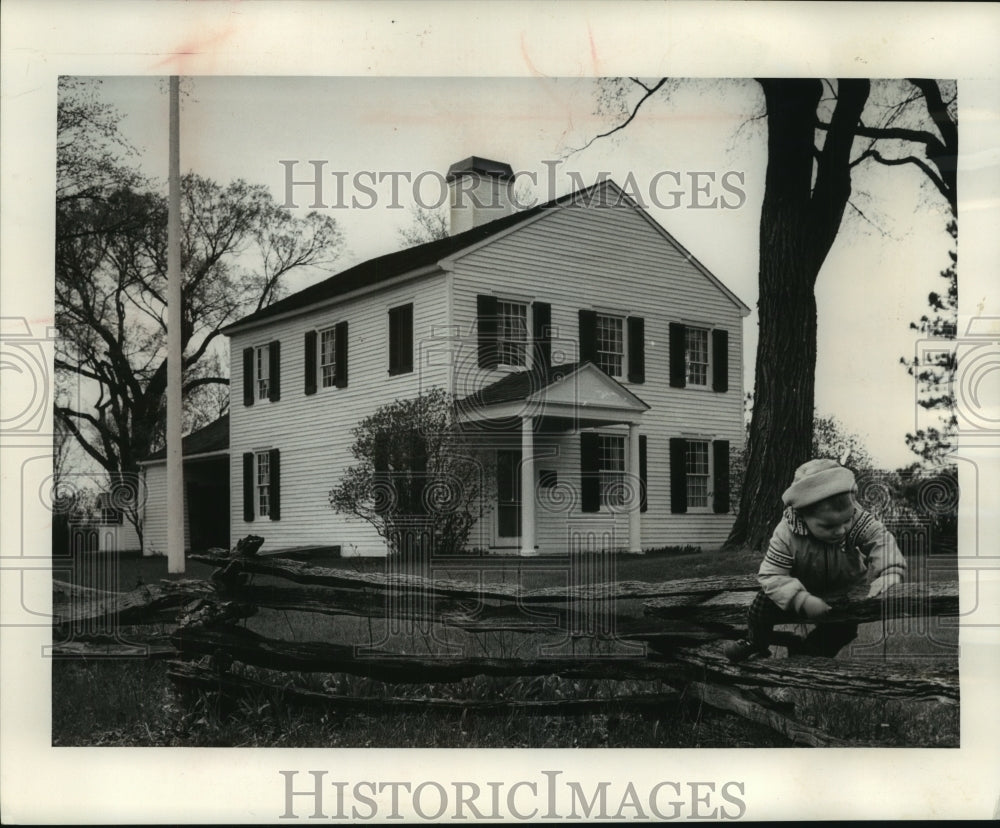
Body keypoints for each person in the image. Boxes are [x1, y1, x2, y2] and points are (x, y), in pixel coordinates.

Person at [722, 458, 906, 662]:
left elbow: (879, 538)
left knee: (843, 628)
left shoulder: (855, 517)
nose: (841, 530)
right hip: (800, 585)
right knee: (760, 607)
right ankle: (756, 642)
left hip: (844, 587)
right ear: (802, 515)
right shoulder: (786, 533)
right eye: (828, 526)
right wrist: (801, 600)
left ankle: (806, 654)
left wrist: (891, 570)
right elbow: (772, 575)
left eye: (846, 521)